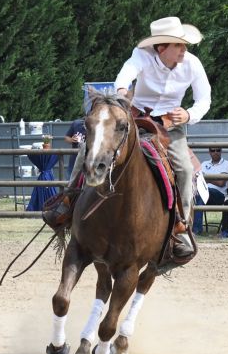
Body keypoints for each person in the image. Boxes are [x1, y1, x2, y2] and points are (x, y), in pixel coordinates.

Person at [45, 17, 210, 260]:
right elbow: (124, 78)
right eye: (179, 45)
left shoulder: (192, 64)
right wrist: (122, 94)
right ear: (161, 47)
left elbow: (204, 99)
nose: (184, 49)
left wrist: (188, 114)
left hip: (169, 127)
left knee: (185, 169)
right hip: (134, 120)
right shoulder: (141, 56)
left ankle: (180, 227)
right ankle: (68, 201)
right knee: (88, 149)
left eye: (184, 45)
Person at [192, 147, 228, 234]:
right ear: (209, 152)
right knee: (192, 194)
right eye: (213, 150)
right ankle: (185, 227)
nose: (215, 152)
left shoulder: (226, 164)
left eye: (218, 150)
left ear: (221, 151)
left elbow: (221, 183)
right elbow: (198, 180)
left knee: (202, 192)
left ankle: (196, 230)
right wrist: (209, 179)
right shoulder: (204, 164)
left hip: (219, 196)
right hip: (202, 194)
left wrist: (207, 179)